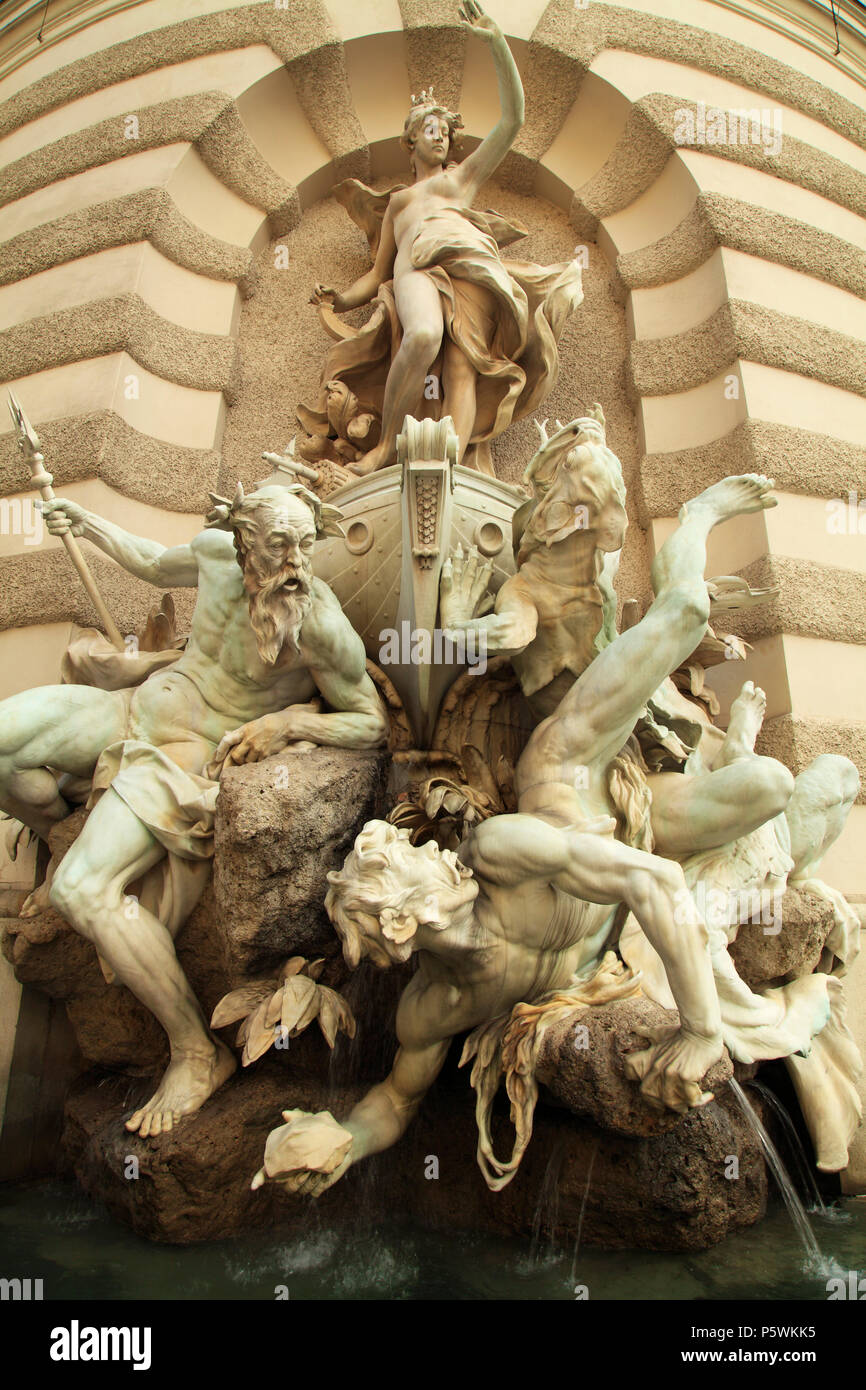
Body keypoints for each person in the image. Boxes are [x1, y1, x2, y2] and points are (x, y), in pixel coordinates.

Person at [252, 473, 780, 1196]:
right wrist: (345, 1138)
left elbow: (651, 879)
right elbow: (398, 1100)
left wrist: (700, 1030)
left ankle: (696, 510)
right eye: (407, 864)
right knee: (774, 790)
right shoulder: (431, 1008)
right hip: (627, 857)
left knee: (685, 609)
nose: (427, 851)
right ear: (404, 923)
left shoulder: (494, 856)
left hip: (573, 768)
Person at [0, 482, 387, 1137]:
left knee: (82, 890)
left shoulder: (318, 625)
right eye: (278, 546)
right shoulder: (212, 557)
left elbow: (370, 721)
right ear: (243, 545)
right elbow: (151, 561)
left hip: (184, 757)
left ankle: (194, 1051)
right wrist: (88, 522)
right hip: (132, 709)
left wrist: (292, 723)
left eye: (304, 545)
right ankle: (54, 829)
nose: (295, 563)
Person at [308, 1, 583, 474]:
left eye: (445, 133)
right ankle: (385, 449)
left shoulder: (460, 181)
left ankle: (454, 467)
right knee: (423, 336)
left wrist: (498, 46)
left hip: (472, 270)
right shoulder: (399, 203)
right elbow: (378, 274)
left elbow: (513, 120)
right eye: (429, 130)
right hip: (417, 268)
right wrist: (341, 298)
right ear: (410, 141)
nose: (440, 138)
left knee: (463, 366)